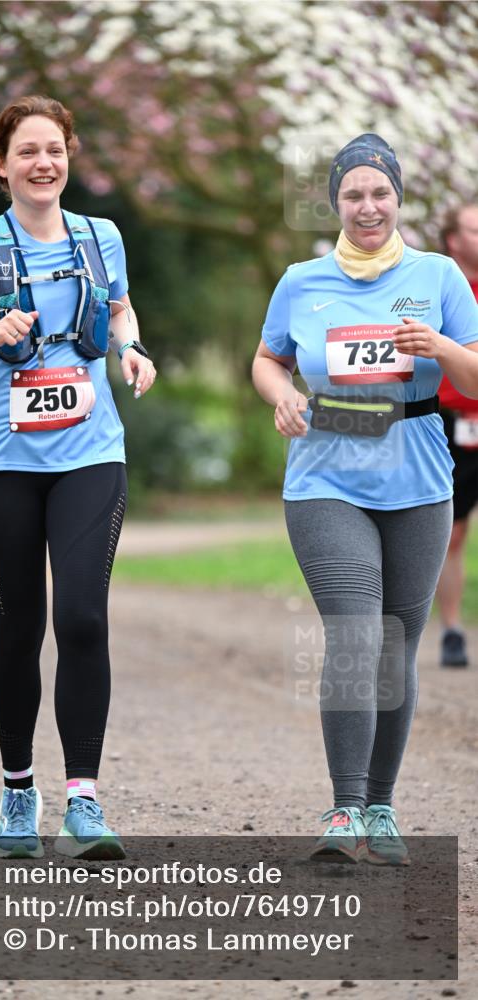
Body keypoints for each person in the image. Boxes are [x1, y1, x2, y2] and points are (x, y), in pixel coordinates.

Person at [0, 95, 155, 860]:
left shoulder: (99, 236)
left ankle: (84, 800)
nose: (42, 163)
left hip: (89, 453)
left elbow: (118, 308)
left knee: (82, 618)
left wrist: (131, 348)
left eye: (54, 149)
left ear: (69, 155)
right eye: (27, 152)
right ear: (2, 164)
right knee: (18, 629)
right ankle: (19, 792)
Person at [252, 134, 478, 866]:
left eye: (379, 192)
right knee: (354, 634)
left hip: (416, 474)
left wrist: (439, 349)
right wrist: (282, 393)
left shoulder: (439, 275)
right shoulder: (300, 280)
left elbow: (473, 380)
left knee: (395, 649)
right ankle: (344, 809)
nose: (367, 205)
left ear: (398, 198)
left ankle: (381, 806)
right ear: (334, 203)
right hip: (324, 472)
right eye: (352, 194)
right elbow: (267, 358)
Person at [436, 205, 478, 668]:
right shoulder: (438, 290)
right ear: (453, 239)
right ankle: (451, 629)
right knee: (453, 532)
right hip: (451, 422)